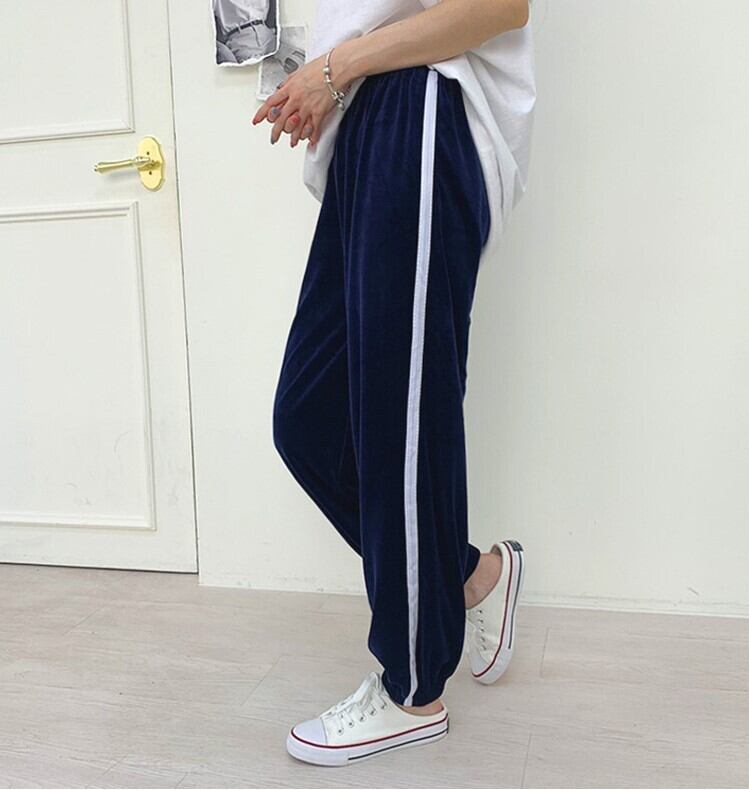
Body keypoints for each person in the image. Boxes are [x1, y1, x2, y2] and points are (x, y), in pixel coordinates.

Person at [252, 0, 536, 767]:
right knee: (310, 419)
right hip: (368, 121)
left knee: (399, 416)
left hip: (421, 104)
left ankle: (413, 690)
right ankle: (470, 576)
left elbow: (498, 7)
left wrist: (333, 68)